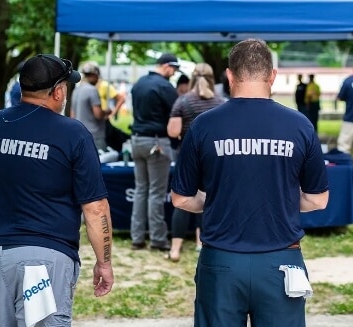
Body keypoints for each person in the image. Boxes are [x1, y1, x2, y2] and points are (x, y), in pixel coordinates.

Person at [171, 38, 329, 327]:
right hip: (281, 260)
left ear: (230, 76)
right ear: (272, 76)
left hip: (221, 260)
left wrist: (217, 200)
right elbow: (318, 199)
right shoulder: (300, 125)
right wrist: (276, 200)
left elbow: (181, 198)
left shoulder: (204, 126)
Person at [0, 54, 114, 326]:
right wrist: (104, 263)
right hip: (44, 260)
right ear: (58, 91)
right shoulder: (73, 133)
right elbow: (95, 207)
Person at [166, 63, 226, 262]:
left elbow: (173, 131)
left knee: (182, 201)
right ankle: (202, 243)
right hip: (215, 157)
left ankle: (175, 249)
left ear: (192, 78)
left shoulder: (183, 101)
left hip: (188, 157)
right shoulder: (221, 102)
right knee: (208, 199)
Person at [129, 53, 180, 251]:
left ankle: (137, 237)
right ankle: (158, 239)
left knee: (141, 189)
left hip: (137, 140)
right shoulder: (166, 87)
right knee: (157, 193)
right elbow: (176, 114)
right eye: (174, 69)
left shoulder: (139, 83)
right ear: (166, 66)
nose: (174, 73)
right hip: (157, 142)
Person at [71, 63, 115, 151]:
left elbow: (72, 115)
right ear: (94, 74)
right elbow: (98, 114)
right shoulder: (92, 90)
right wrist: (107, 111)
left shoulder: (76, 90)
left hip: (78, 134)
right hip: (94, 135)